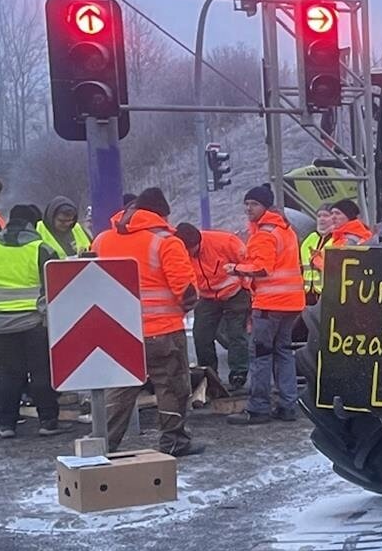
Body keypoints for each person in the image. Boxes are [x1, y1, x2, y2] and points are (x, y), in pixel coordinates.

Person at [93, 187, 203, 457]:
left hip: (120, 330)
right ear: (160, 214)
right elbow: (186, 291)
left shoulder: (103, 240)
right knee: (171, 386)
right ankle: (174, 441)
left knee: (121, 388)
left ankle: (102, 444)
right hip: (162, 330)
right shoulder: (166, 241)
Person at [0, 204, 62, 438]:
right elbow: (56, 287)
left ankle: (6, 424)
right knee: (40, 372)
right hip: (34, 322)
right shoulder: (41, 249)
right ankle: (47, 421)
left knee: (7, 373)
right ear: (33, 224)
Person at [228, 184, 302, 425]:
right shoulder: (286, 230)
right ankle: (287, 406)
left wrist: (235, 269)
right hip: (291, 303)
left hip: (270, 304)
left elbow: (262, 268)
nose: (248, 208)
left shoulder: (264, 233)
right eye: (247, 204)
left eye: (254, 204)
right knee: (284, 353)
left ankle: (258, 408)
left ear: (265, 206)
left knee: (260, 355)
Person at [177, 221, 250, 391]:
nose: (189, 255)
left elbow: (248, 266)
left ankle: (238, 374)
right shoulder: (178, 251)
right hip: (207, 296)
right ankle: (209, 376)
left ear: (197, 243)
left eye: (191, 251)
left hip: (234, 293)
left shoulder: (225, 242)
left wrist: (248, 292)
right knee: (201, 335)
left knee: (236, 334)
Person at [301, 205, 336, 304]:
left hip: (328, 294)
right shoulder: (311, 238)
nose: (321, 219)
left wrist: (318, 261)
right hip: (308, 293)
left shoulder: (337, 240)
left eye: (325, 215)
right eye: (319, 216)